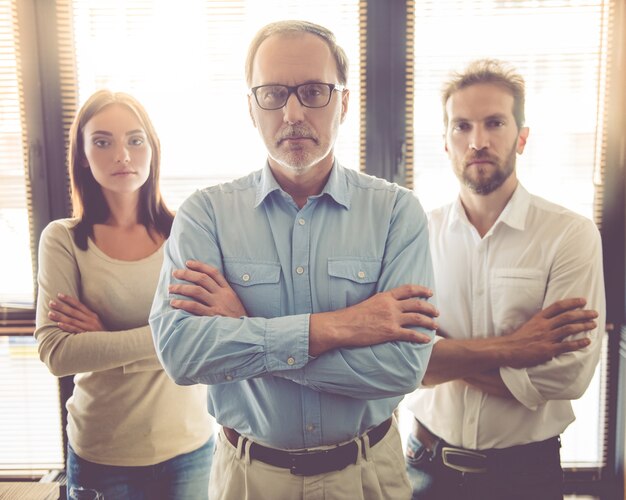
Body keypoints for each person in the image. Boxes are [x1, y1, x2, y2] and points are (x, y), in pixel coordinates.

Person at [149, 20, 438, 500]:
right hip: (247, 479)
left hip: (369, 476)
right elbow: (182, 353)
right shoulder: (206, 215)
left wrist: (245, 328)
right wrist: (341, 327)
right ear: (251, 107)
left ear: (343, 101)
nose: (293, 112)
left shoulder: (396, 212)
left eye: (313, 91)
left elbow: (402, 368)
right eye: (273, 94)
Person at [403, 59, 606, 500]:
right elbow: (401, 360)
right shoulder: (416, 233)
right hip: (423, 468)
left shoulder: (570, 235)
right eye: (462, 126)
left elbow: (568, 376)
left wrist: (444, 357)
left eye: (494, 122)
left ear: (522, 136)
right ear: (445, 142)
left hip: (524, 475)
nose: (477, 141)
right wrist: (517, 348)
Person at [34, 90, 214, 500]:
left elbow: (209, 339)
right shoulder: (63, 240)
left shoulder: (186, 232)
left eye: (135, 140)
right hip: (102, 450)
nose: (122, 154)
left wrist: (102, 338)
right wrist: (170, 337)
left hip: (189, 447)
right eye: (102, 141)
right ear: (82, 154)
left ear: (152, 150)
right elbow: (58, 354)